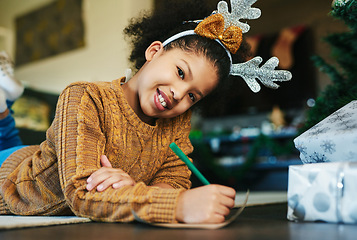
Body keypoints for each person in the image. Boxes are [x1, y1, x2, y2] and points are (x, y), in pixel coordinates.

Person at [0, 0, 289, 224]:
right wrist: (178, 206)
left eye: (193, 95)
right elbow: (81, 193)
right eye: (179, 71)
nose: (178, 93)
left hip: (37, 153)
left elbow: (172, 182)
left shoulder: (176, 124)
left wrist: (133, 187)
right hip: (12, 181)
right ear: (153, 51)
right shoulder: (86, 96)